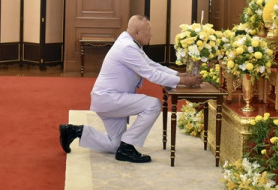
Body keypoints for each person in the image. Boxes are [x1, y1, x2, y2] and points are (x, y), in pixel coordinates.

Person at [59, 15, 201, 163]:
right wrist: (183, 81)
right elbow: (151, 74)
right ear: (137, 32)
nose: (151, 35)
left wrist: (178, 74)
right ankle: (127, 147)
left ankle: (74, 131)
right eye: (148, 31)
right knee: (153, 105)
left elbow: (151, 65)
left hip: (110, 99)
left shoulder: (131, 43)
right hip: (109, 99)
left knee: (115, 145)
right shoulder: (127, 47)